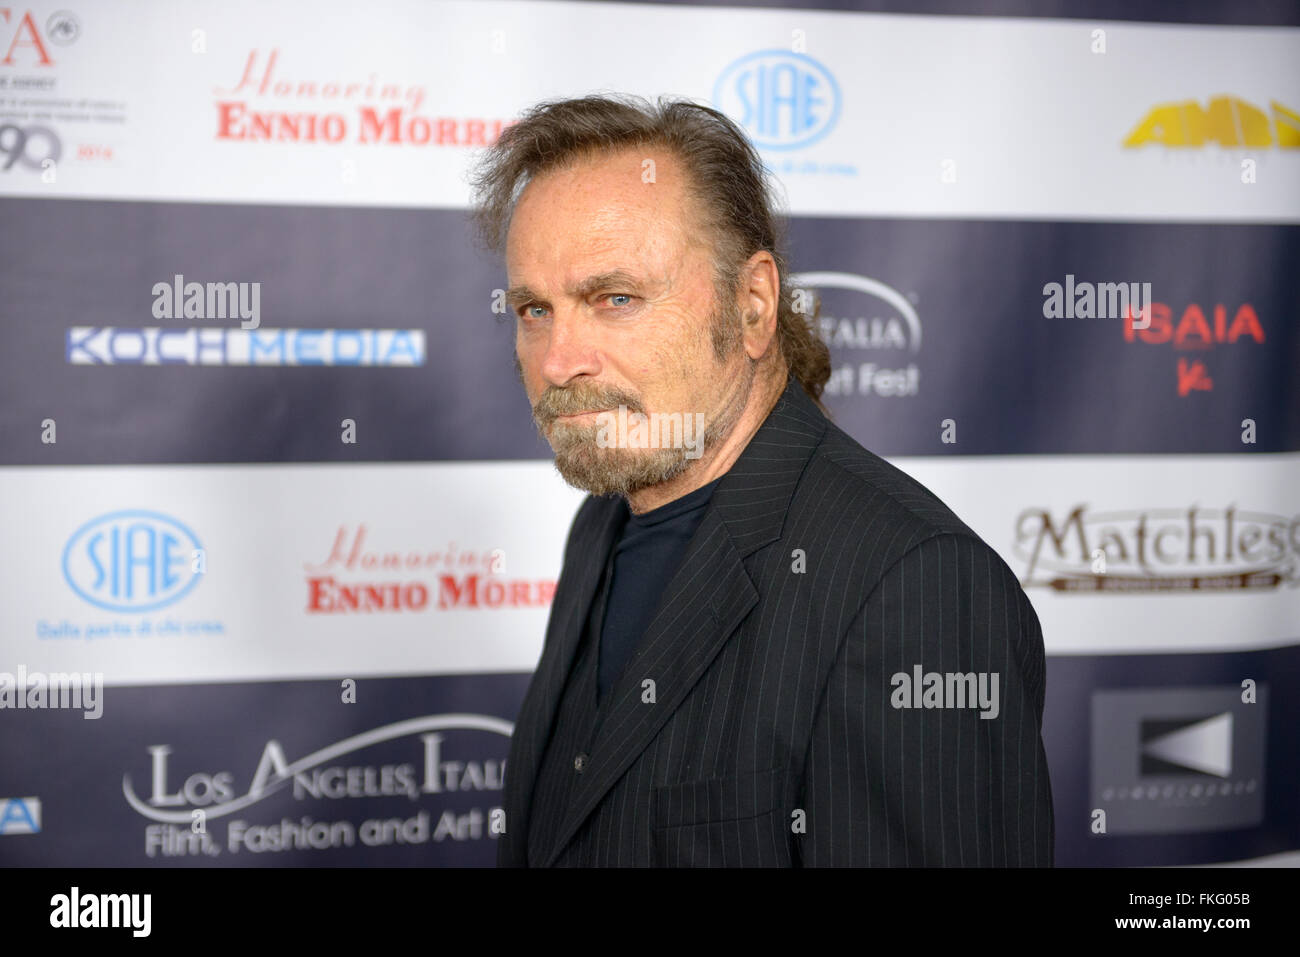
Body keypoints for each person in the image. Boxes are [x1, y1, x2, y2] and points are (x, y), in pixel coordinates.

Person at [469, 94, 1054, 866]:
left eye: (616, 299)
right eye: (534, 309)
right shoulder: (603, 525)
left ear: (752, 306)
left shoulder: (915, 587)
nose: (557, 359)